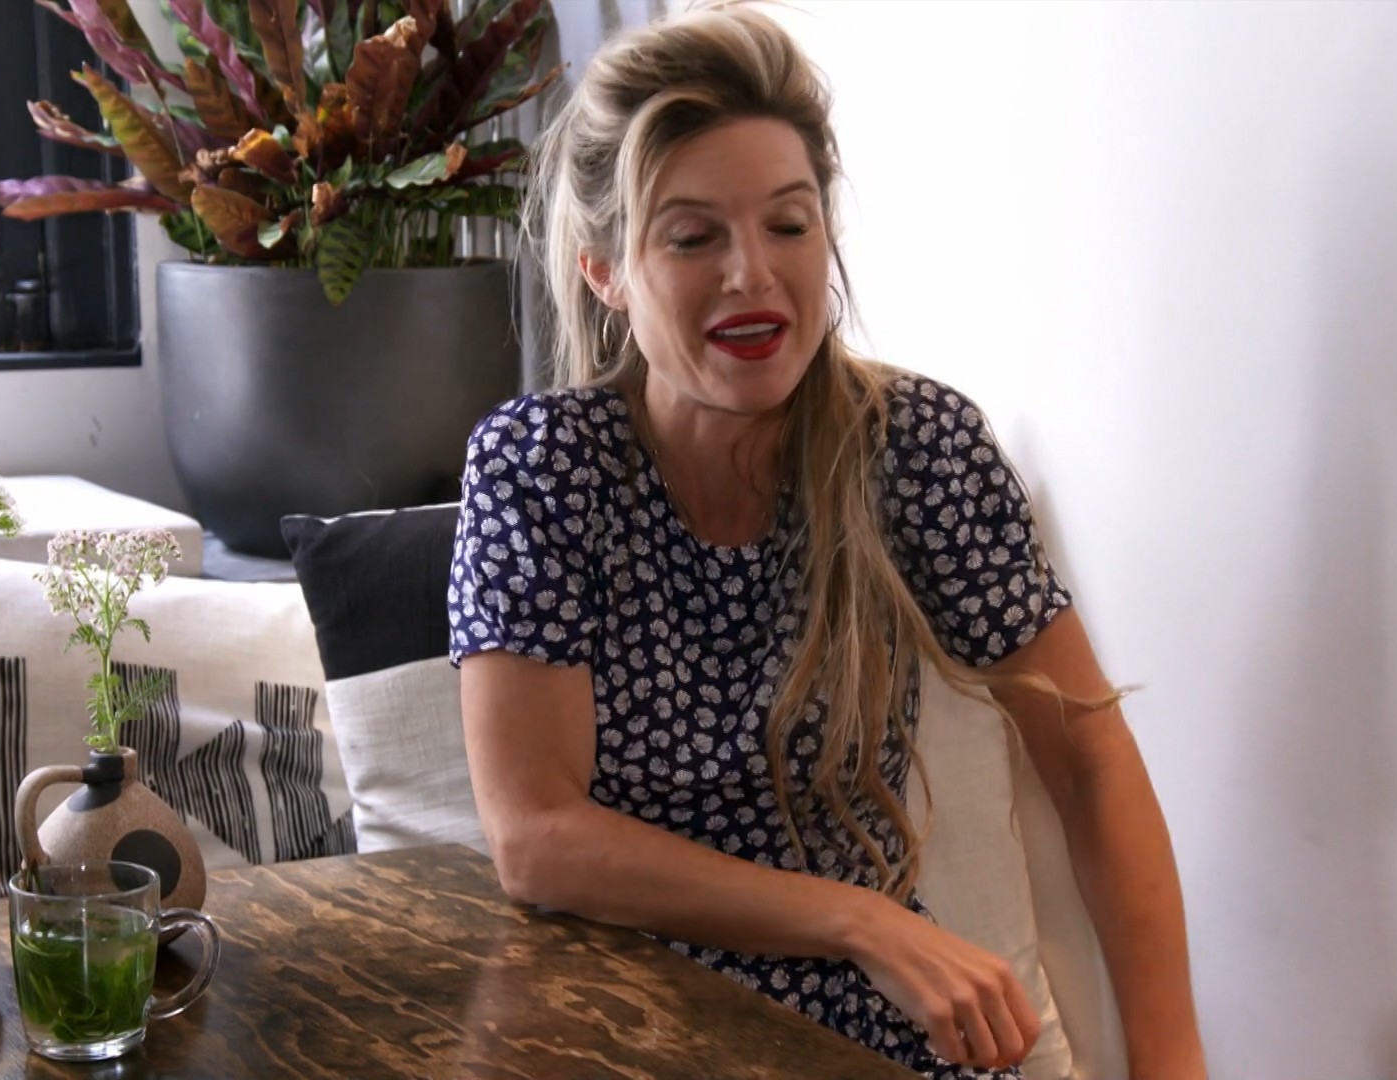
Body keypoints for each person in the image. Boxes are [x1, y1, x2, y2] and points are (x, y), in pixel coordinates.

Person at [445, 6, 1207, 1077]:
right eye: (693, 236)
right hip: (611, 1025)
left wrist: (1174, 1066)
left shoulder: (918, 448)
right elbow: (536, 838)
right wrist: (859, 921)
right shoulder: (540, 467)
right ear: (605, 271)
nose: (752, 274)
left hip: (864, 1033)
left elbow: (1088, 757)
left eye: (789, 225)